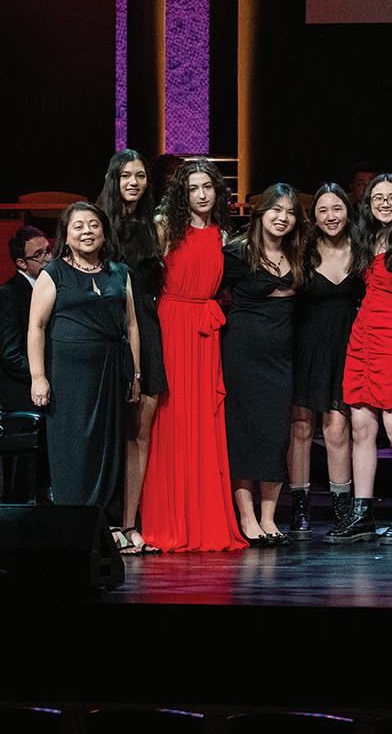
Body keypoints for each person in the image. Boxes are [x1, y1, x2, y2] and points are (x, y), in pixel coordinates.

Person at [141, 158, 248, 552]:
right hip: (172, 326)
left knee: (204, 420)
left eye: (208, 187)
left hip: (205, 334)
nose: (202, 195)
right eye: (193, 189)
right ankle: (169, 522)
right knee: (172, 419)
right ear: (182, 194)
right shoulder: (165, 227)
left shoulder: (221, 233)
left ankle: (205, 519)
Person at [326, 173, 392, 544]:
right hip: (363, 337)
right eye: (377, 198)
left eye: (391, 197)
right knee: (361, 428)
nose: (384, 203)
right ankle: (362, 513)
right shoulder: (367, 238)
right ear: (368, 204)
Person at [26, 203, 138, 537]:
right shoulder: (54, 273)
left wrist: (134, 373)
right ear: (66, 234)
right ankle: (74, 528)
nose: (87, 231)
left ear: (104, 231)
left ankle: (109, 527)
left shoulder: (119, 272)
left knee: (109, 448)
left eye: (93, 225)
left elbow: (132, 325)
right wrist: (38, 377)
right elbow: (36, 326)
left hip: (110, 370)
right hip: (69, 377)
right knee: (73, 450)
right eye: (78, 226)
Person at [223, 184, 305, 546]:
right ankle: (247, 517)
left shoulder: (299, 254)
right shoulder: (236, 254)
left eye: (290, 212)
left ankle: (269, 517)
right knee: (243, 435)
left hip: (280, 358)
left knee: (275, 436)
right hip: (241, 355)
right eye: (276, 210)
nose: (282, 218)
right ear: (260, 213)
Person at [96, 149, 167, 554]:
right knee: (110, 430)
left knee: (140, 431)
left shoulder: (155, 226)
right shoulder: (97, 223)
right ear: (113, 179)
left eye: (140, 176)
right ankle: (104, 522)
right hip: (109, 325)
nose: (133, 183)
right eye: (126, 176)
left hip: (148, 325)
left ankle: (130, 522)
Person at [290, 183, 365, 538]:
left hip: (347, 347)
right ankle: (300, 507)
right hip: (305, 346)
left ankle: (342, 509)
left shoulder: (362, 249)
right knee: (301, 426)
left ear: (348, 211)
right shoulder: (302, 251)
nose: (331, 216)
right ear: (314, 216)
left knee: (336, 428)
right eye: (323, 210)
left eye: (337, 208)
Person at [0, 226, 50, 412]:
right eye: (39, 254)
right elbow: (10, 355)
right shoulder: (9, 295)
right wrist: (43, 376)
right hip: (25, 394)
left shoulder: (54, 287)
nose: (48, 258)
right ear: (21, 263)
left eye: (49, 250)